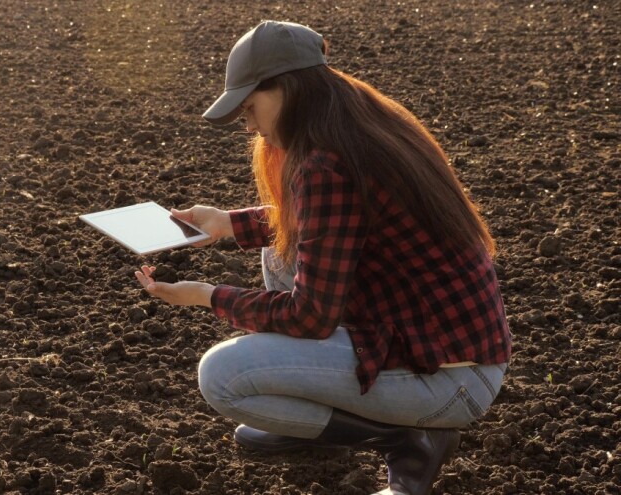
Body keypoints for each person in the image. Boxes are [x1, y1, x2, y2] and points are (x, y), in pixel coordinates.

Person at [134, 20, 511, 495]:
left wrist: (207, 297)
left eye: (250, 107)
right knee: (279, 251)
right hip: (449, 348)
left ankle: (405, 437)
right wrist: (228, 223)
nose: (247, 125)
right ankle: (319, 422)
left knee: (223, 376)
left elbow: (309, 316)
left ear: (288, 90)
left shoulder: (325, 163)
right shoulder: (360, 124)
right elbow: (325, 224)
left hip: (449, 380)